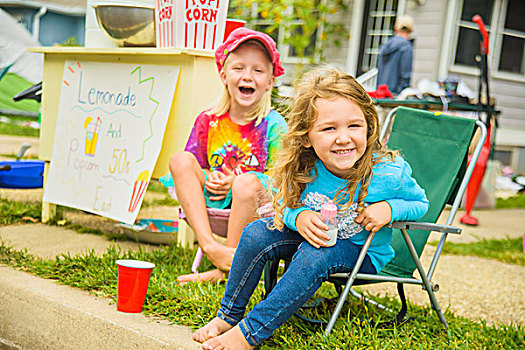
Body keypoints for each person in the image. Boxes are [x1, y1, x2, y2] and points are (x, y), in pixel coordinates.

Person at [193, 67, 429, 349]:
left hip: (360, 251)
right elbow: (281, 203)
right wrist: (299, 215)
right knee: (256, 232)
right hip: (310, 237)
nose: (343, 138)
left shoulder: (388, 172)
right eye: (329, 128)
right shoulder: (305, 167)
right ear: (306, 136)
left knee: (315, 253)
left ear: (369, 126)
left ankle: (249, 333)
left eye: (354, 126)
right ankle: (228, 315)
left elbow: (420, 203)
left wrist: (390, 209)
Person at [168, 28, 287, 284]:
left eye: (258, 70)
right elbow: (194, 168)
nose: (248, 76)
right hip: (214, 207)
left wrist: (236, 181)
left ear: (270, 81)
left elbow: (281, 181)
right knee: (179, 160)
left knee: (246, 183)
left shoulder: (274, 125)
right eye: (239, 68)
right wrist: (213, 177)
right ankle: (212, 248)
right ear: (223, 75)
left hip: (256, 210)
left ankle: (228, 269)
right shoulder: (208, 121)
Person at [377, 15, 414, 95]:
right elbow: (405, 74)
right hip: (396, 95)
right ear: (411, 30)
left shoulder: (386, 45)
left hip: (381, 92)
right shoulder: (406, 47)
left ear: (396, 29)